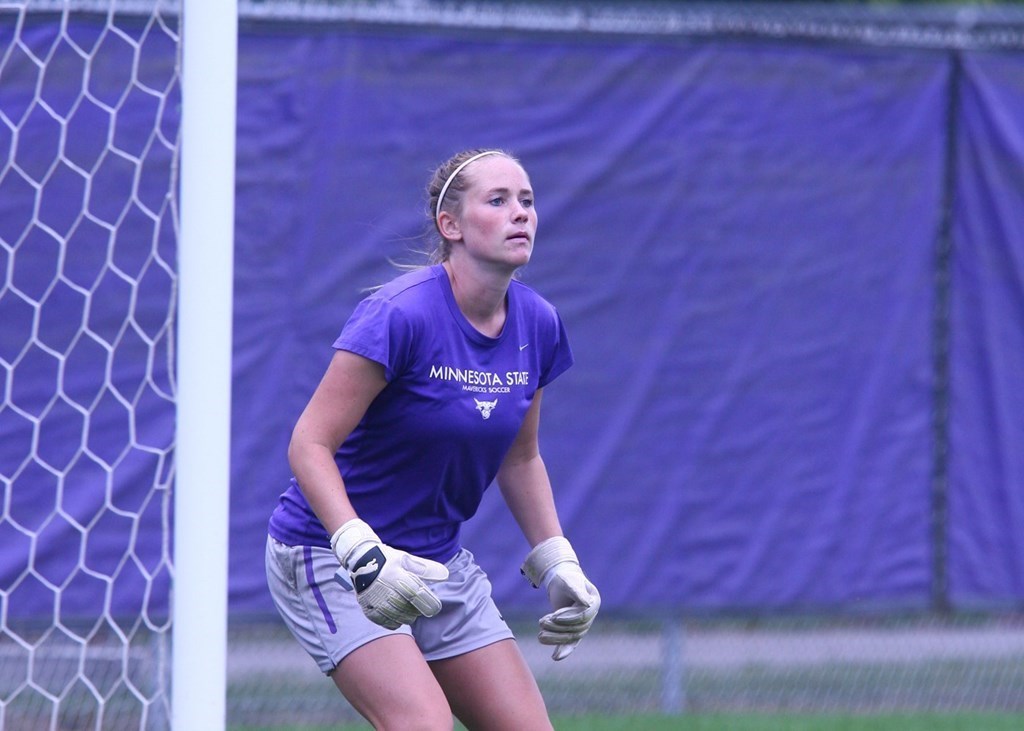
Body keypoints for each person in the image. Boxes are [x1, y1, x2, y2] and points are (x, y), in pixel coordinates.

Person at [265, 148, 601, 730]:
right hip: (328, 554)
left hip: (437, 562)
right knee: (424, 725)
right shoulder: (398, 315)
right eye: (497, 201)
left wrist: (557, 559)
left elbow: (520, 458)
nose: (520, 212)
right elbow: (308, 445)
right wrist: (361, 554)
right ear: (452, 226)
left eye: (526, 200)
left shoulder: (538, 324)